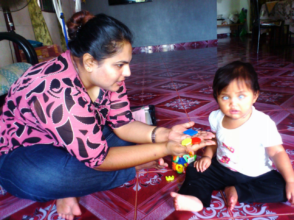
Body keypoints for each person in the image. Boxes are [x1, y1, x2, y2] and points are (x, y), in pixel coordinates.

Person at [0, 11, 215, 220]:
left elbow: (123, 124)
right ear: (89, 62)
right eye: (120, 65)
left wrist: (168, 135)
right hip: (25, 154)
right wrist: (165, 148)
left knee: (128, 137)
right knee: (49, 178)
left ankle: (89, 179)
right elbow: (99, 160)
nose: (128, 72)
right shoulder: (59, 91)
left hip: (78, 140)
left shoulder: (109, 77)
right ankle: (78, 185)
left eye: (127, 63)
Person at [171, 61, 294, 212]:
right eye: (225, 97)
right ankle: (196, 198)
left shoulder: (263, 123)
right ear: (217, 96)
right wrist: (208, 156)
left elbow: (277, 152)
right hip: (222, 168)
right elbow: (214, 139)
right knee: (194, 169)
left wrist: (290, 180)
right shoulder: (216, 117)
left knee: (282, 188)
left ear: (255, 96)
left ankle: (237, 191)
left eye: (241, 96)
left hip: (255, 174)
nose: (233, 104)